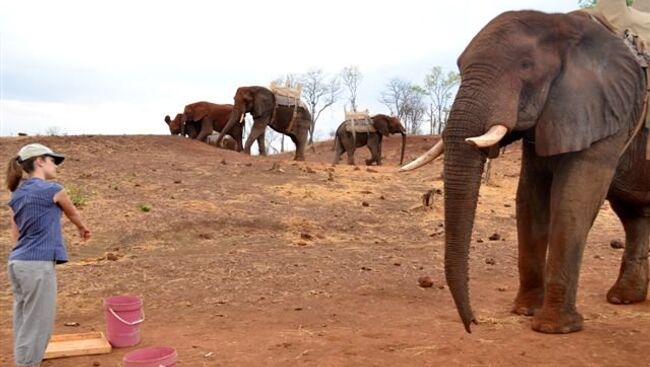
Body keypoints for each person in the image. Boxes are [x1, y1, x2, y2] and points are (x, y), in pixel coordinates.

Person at [5, 143, 91, 367]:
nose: (55, 166)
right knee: (39, 320)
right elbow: (72, 211)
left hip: (18, 262)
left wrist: (21, 251)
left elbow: (16, 232)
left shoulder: (17, 194)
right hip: (37, 264)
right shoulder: (53, 190)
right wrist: (83, 228)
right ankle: (27, 363)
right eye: (53, 160)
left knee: (24, 317)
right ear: (40, 161)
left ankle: (25, 359)